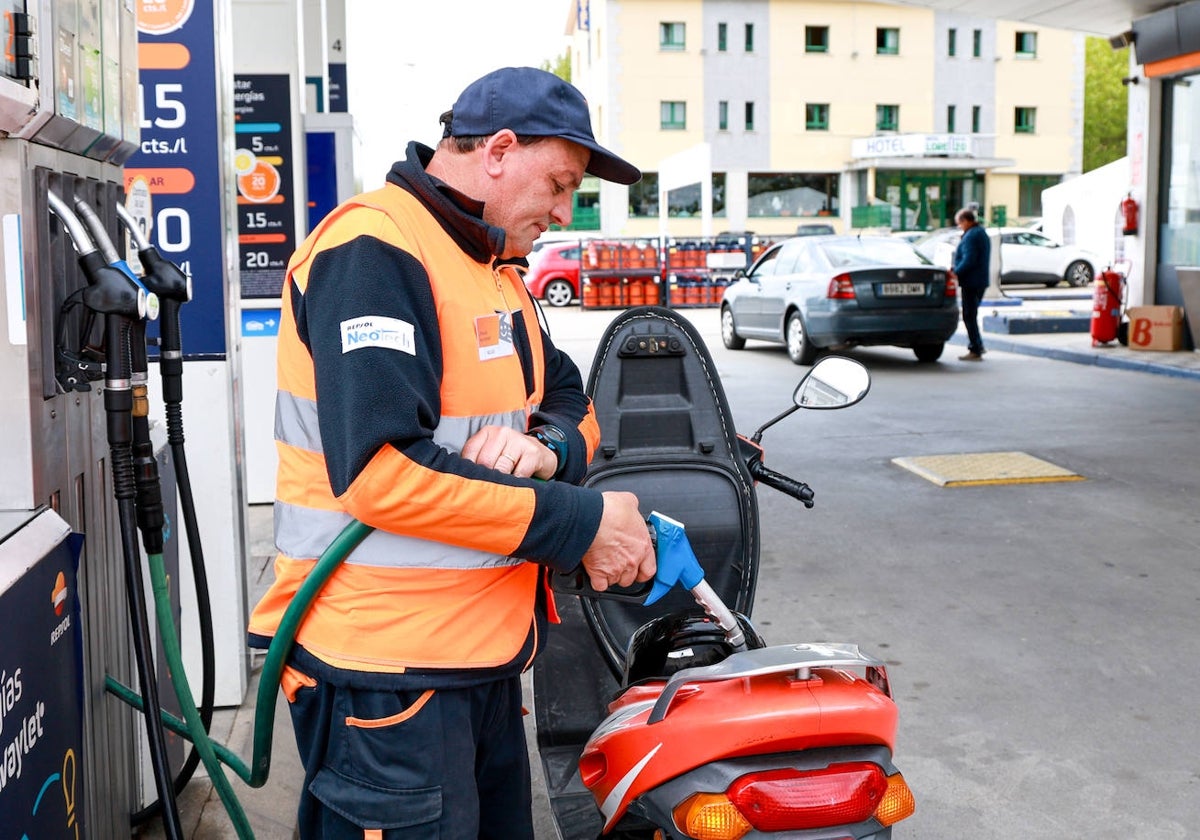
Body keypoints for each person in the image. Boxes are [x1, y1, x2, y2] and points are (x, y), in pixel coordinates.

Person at [247, 66, 657, 839]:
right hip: (385, 672)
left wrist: (546, 447)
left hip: (481, 657)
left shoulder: (492, 270)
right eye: (560, 183)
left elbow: (572, 399)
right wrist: (584, 522)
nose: (565, 211)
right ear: (499, 150)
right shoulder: (375, 251)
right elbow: (382, 477)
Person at [950, 207, 991, 361]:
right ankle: (977, 345)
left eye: (959, 224)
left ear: (966, 221)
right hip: (979, 280)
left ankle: (975, 348)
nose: (959, 227)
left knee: (969, 315)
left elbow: (969, 259)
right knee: (971, 315)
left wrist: (956, 272)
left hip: (971, 281)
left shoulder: (971, 236)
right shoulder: (980, 232)